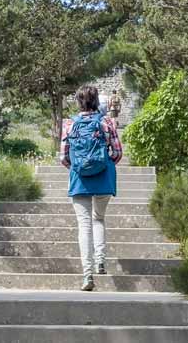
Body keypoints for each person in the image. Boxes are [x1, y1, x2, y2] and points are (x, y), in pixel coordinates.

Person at [61, 84, 122, 291]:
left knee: (84, 225)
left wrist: (79, 167)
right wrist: (103, 163)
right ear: (97, 101)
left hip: (79, 180)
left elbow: (64, 157)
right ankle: (100, 261)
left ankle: (87, 275)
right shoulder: (106, 121)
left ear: (78, 102)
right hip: (103, 178)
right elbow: (117, 153)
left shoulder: (69, 124)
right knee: (98, 219)